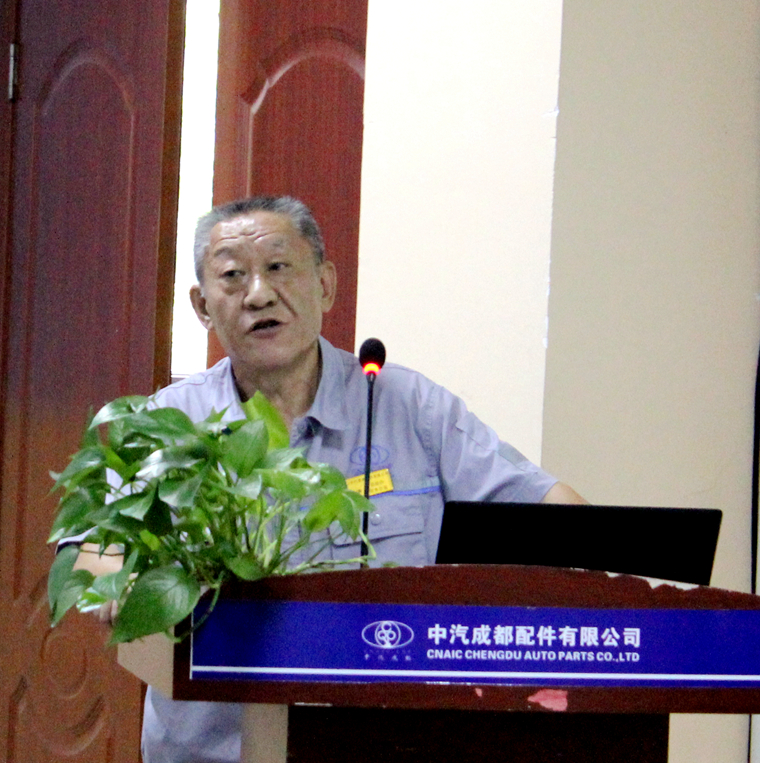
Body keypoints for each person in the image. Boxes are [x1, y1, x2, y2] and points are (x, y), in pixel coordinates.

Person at [121, 195, 585, 761]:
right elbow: (97, 548)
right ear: (202, 305)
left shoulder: (408, 405)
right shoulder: (171, 423)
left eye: (278, 266)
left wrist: (610, 579)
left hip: (383, 744)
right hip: (214, 750)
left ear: (325, 285)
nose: (259, 294)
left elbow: (549, 508)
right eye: (233, 276)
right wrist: (121, 582)